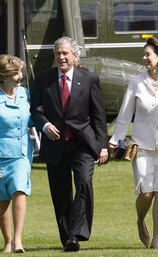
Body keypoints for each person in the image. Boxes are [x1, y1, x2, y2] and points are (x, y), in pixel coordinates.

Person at [30, 36, 108, 252]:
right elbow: (35, 110)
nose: (61, 57)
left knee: (83, 183)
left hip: (82, 143)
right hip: (55, 144)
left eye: (65, 53)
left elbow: (99, 117)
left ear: (76, 56)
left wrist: (103, 146)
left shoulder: (89, 79)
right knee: (60, 192)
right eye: (58, 53)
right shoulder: (43, 79)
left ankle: (76, 233)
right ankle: (67, 237)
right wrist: (45, 126)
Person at [108, 37, 158, 250]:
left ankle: (157, 239)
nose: (144, 58)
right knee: (146, 193)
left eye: (148, 54)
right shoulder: (136, 82)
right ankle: (140, 220)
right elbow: (124, 115)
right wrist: (115, 140)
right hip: (140, 146)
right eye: (144, 54)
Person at [0, 54, 34, 253]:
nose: (20, 77)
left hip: (21, 155)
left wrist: (46, 123)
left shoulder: (24, 94)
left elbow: (29, 120)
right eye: (15, 73)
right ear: (3, 76)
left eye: (20, 72)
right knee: (3, 199)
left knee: (20, 190)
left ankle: (19, 240)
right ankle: (8, 242)